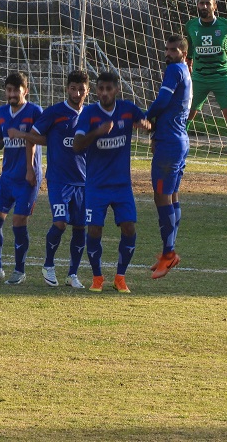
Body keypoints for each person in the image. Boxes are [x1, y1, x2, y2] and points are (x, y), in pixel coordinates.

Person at [8, 69, 90, 289]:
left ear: (87, 91)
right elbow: (35, 137)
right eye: (73, 88)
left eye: (81, 89)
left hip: (83, 182)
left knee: (81, 227)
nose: (77, 93)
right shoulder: (55, 112)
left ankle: (72, 274)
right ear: (67, 89)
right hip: (59, 181)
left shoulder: (91, 114)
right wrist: (29, 164)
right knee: (60, 223)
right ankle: (49, 265)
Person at [73, 71, 150, 293]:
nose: (104, 93)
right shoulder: (89, 114)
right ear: (96, 91)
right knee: (94, 230)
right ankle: (97, 278)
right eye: (100, 89)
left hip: (122, 185)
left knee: (129, 227)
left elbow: (146, 121)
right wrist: (97, 132)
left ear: (117, 89)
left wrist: (146, 125)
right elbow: (77, 145)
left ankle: (120, 277)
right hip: (96, 185)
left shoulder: (128, 109)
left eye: (108, 89)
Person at [0, 72, 43, 285]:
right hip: (7, 177)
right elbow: (1, 138)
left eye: (15, 90)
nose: (11, 94)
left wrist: (30, 169)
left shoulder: (35, 111)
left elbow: (43, 138)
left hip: (28, 177)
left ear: (25, 91)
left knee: (19, 222)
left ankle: (19, 271)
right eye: (8, 90)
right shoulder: (1, 112)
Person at [184, 0, 227, 175]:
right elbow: (189, 43)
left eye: (207, 3)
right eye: (201, 3)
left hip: (221, 77)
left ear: (215, 6)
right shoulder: (190, 25)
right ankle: (179, 154)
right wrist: (188, 60)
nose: (204, 6)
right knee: (188, 114)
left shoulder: (226, 24)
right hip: (199, 77)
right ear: (197, 6)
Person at [146, 35, 192, 279]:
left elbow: (163, 100)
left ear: (183, 53)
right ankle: (168, 252)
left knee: (161, 196)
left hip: (170, 144)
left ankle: (169, 252)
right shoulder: (184, 69)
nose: (168, 53)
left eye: (173, 50)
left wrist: (146, 116)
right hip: (178, 139)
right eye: (167, 49)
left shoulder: (175, 69)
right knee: (171, 196)